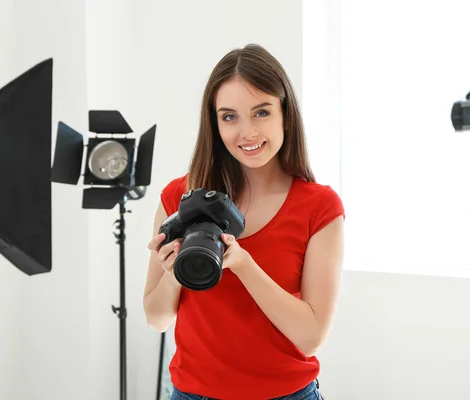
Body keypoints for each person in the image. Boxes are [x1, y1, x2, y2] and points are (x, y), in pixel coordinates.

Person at [143, 43, 345, 400]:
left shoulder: (319, 207)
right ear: (215, 123)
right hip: (192, 394)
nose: (247, 132)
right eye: (230, 116)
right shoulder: (179, 197)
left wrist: (244, 265)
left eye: (261, 112)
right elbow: (156, 318)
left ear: (285, 114)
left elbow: (311, 337)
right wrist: (175, 273)